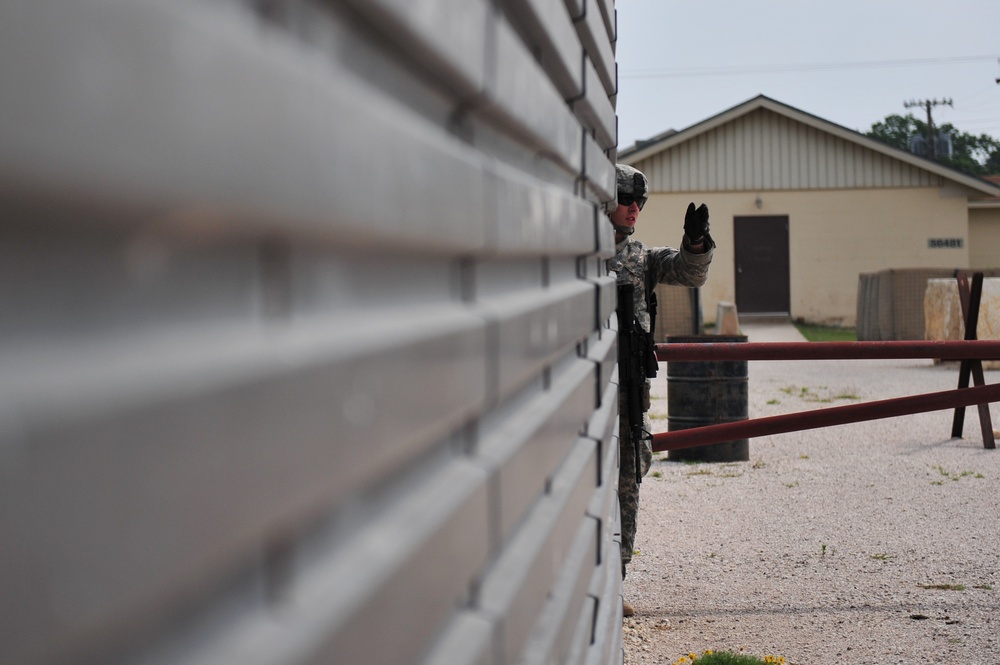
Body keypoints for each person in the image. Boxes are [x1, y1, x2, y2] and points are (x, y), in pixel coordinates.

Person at [608, 164, 714, 617]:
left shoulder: (639, 256)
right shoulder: (574, 249)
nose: (634, 208)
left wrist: (696, 242)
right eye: (626, 198)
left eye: (640, 202)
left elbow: (689, 274)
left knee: (628, 481)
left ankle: (615, 580)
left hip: (627, 391)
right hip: (586, 390)